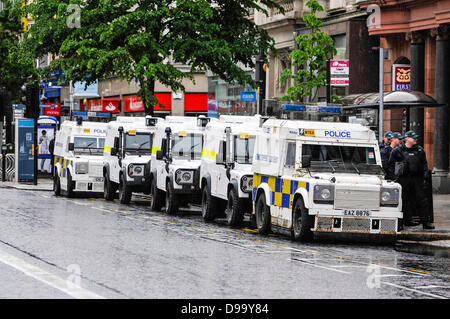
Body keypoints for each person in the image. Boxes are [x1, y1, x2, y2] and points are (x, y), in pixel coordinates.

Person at [388, 130, 435, 229]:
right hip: (403, 179)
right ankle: (404, 221)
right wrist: (394, 178)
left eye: (415, 138)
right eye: (413, 138)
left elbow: (424, 164)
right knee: (404, 200)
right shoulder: (397, 150)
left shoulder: (420, 150)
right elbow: (390, 165)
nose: (415, 139)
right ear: (406, 139)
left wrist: (425, 175)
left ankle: (426, 222)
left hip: (416, 178)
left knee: (422, 200)